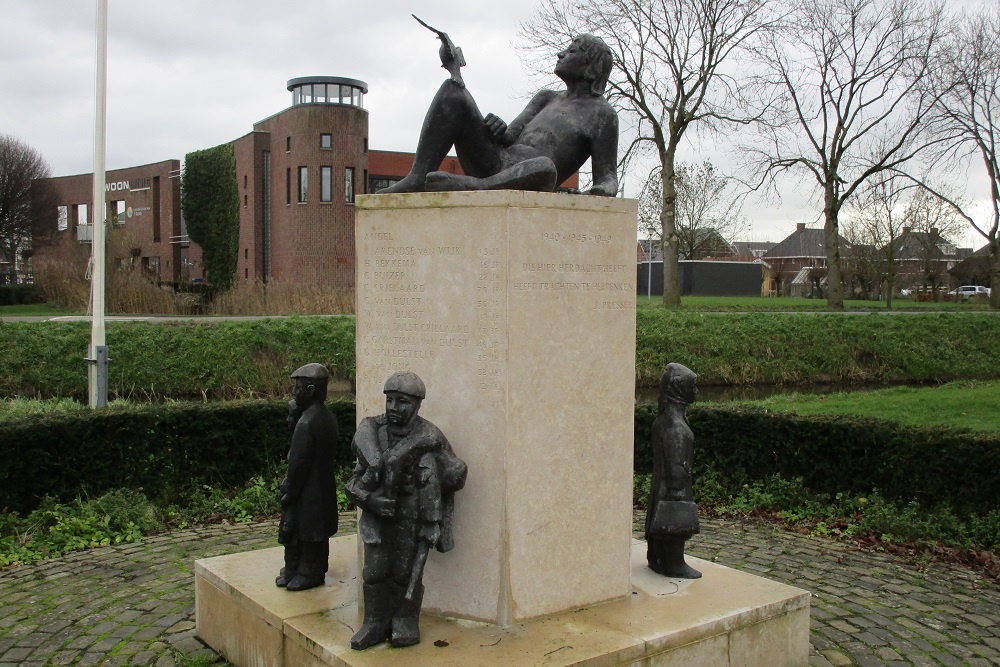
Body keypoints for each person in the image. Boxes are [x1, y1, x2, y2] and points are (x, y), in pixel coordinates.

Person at [379, 34, 618, 197]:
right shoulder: (546, 97)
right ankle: (417, 177)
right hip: (497, 161)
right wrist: (497, 127)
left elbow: (607, 178)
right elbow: (509, 137)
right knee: (454, 93)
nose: (560, 54)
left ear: (591, 67)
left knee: (546, 167)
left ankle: (473, 187)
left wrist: (600, 191)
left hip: (532, 179)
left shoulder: (602, 116)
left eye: (571, 51)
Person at [346, 372, 468, 650]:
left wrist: (431, 509)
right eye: (390, 400)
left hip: (412, 519)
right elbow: (352, 485)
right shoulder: (374, 433)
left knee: (406, 573)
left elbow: (454, 476)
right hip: (379, 517)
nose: (393, 408)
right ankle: (374, 622)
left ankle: (405, 620)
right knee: (374, 572)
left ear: (416, 405)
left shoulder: (429, 436)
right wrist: (370, 500)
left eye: (402, 402)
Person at [275, 363, 339, 591]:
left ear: (311, 389)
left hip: (308, 490)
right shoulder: (327, 417)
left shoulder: (307, 423)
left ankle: (309, 572)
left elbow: (298, 464)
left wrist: (289, 491)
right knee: (309, 531)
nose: (294, 392)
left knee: (307, 531)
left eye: (298, 387)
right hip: (321, 486)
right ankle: (296, 569)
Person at [645, 363, 702, 579]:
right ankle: (673, 562)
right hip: (672, 486)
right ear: (679, 388)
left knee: (659, 514)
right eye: (692, 386)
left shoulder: (663, 419)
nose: (696, 391)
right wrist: (678, 490)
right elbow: (676, 465)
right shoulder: (676, 425)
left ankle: (658, 557)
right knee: (673, 519)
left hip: (660, 485)